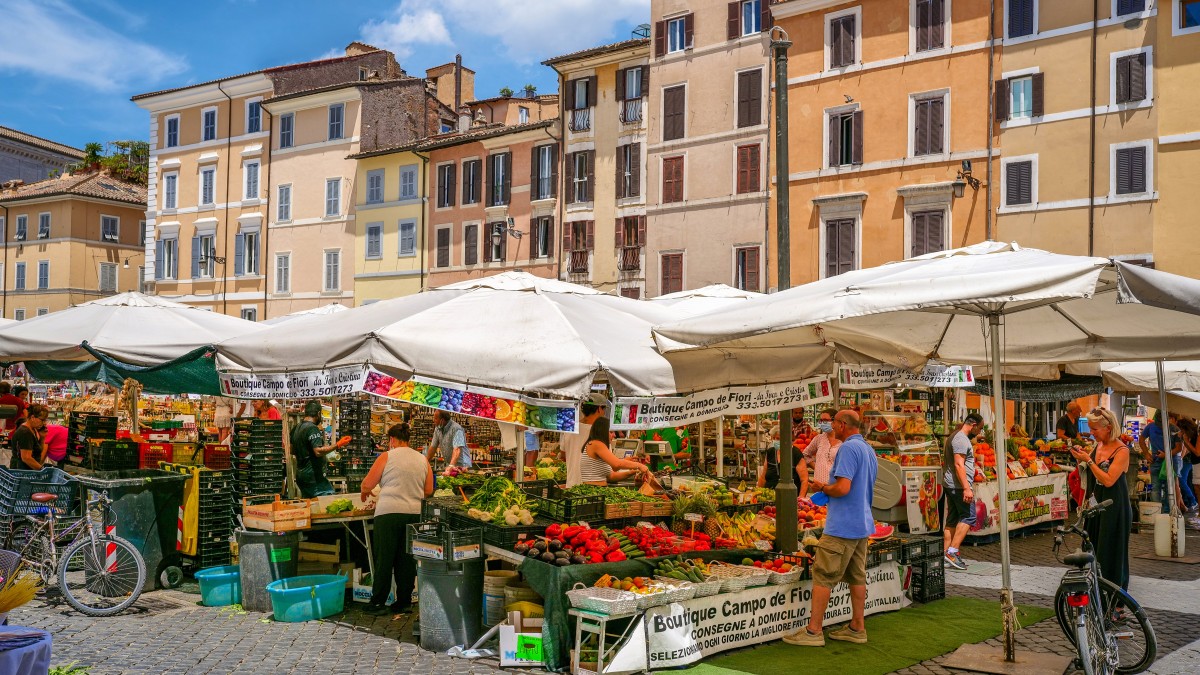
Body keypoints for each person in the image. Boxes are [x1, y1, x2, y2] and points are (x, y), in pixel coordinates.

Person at [784, 410, 878, 647]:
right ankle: (858, 627)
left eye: (833, 422)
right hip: (862, 523)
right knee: (857, 575)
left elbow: (843, 487)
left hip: (842, 525)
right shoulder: (868, 449)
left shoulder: (847, 449)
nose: (830, 425)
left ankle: (814, 631)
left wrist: (823, 488)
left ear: (843, 424)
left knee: (823, 575)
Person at [360, 423, 433, 617]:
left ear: (392, 440)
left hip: (389, 513)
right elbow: (428, 490)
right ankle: (404, 602)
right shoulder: (423, 459)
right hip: (414, 514)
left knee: (385, 559)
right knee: (406, 561)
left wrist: (364, 492)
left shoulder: (387, 456)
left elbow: (367, 483)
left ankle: (377, 603)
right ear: (407, 439)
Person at [1070, 407, 1132, 591]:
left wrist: (1088, 461)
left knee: (1113, 552)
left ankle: (1117, 602)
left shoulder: (1122, 450)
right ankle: (1098, 595)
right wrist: (1080, 457)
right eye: (1090, 428)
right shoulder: (1099, 446)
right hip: (1097, 505)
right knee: (1094, 548)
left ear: (1108, 427)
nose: (1091, 433)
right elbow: (1090, 472)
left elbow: (1108, 479)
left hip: (1114, 505)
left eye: (1095, 429)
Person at [942, 413, 984, 570]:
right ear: (973, 425)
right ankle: (952, 552)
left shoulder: (956, 436)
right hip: (958, 486)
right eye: (979, 428)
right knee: (969, 516)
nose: (979, 432)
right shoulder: (961, 439)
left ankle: (946, 555)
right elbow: (959, 464)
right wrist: (967, 487)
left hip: (951, 484)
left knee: (952, 519)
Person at [580, 416, 652, 486]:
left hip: (599, 490)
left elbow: (611, 476)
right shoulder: (596, 444)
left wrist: (631, 472)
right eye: (611, 432)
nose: (614, 435)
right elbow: (617, 464)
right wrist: (639, 466)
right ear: (602, 432)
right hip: (593, 491)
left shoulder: (599, 446)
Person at [292, 400, 336, 498]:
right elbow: (318, 452)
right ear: (318, 413)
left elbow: (292, 450)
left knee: (310, 505)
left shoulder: (297, 427)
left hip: (301, 475)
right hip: (313, 477)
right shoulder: (312, 428)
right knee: (327, 502)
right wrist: (337, 445)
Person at [1140, 411, 1181, 512]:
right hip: (1155, 460)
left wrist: (1166, 454)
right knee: (1155, 488)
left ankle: (1168, 512)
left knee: (1169, 488)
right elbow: (1141, 440)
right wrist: (1146, 454)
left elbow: (1178, 448)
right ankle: (1156, 512)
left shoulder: (1174, 429)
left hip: (1171, 461)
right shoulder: (1150, 427)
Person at [562, 394, 607, 487]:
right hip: (590, 489)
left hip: (571, 485)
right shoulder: (600, 432)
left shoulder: (569, 427)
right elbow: (608, 464)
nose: (604, 413)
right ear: (599, 409)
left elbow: (563, 455)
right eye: (604, 409)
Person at [797, 409, 843, 497]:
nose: (822, 423)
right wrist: (816, 467)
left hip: (835, 487)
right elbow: (805, 455)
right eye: (821, 420)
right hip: (819, 487)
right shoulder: (819, 439)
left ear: (834, 421)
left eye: (825, 420)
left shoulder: (843, 441)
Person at [426, 410, 472, 475]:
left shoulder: (457, 429)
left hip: (463, 466)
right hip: (451, 465)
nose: (433, 420)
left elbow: (457, 449)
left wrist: (451, 466)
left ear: (442, 420)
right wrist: (425, 462)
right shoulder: (437, 429)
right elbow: (433, 447)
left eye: (435, 418)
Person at [10, 403, 49, 470]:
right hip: (22, 472)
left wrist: (42, 437)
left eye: (45, 420)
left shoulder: (33, 429)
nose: (44, 423)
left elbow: (38, 451)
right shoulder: (25, 432)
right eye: (42, 420)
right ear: (33, 417)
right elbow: (26, 458)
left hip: (27, 470)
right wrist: (42, 470)